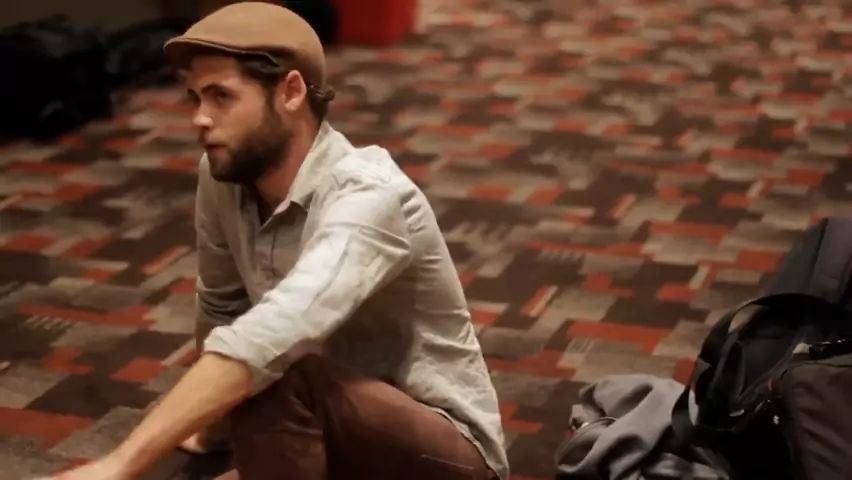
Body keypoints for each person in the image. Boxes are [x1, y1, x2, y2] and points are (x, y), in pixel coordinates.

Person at [47, 2, 508, 479]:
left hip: (445, 452)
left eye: (221, 96)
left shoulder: (370, 195)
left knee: (275, 370)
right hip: (328, 427)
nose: (200, 118)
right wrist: (216, 429)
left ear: (291, 92)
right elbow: (222, 308)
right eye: (195, 98)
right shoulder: (223, 173)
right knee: (261, 372)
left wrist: (118, 466)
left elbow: (275, 334)